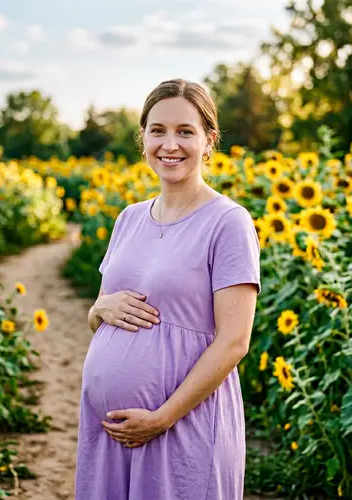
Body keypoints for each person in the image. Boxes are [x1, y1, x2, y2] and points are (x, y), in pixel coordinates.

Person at [75, 78, 262, 500]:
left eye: (185, 131)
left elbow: (235, 342)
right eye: (157, 130)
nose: (169, 144)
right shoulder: (129, 218)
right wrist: (98, 310)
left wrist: (161, 417)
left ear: (209, 140)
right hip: (109, 431)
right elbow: (101, 314)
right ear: (143, 138)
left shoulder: (227, 222)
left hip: (182, 426)